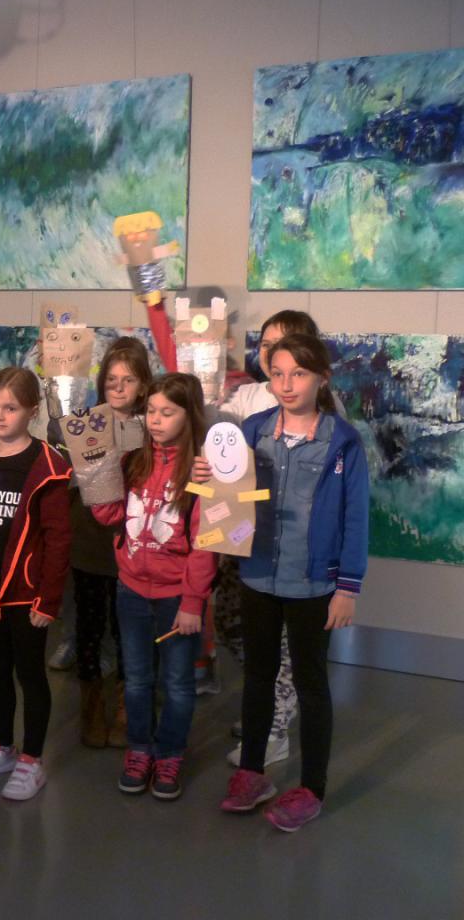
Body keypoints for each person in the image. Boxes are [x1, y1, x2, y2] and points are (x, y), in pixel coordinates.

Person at [220, 333, 368, 832]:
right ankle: (252, 773)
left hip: (314, 583)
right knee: (258, 677)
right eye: (278, 373)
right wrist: (211, 475)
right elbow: (229, 492)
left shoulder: (343, 441)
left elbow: (355, 518)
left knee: (310, 684)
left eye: (298, 374)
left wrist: (347, 587)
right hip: (258, 574)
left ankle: (311, 788)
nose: (286, 384)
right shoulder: (254, 429)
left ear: (321, 378)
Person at [199, 310, 322, 767]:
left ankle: (274, 729)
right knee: (231, 621)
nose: (272, 353)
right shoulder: (248, 396)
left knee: (285, 641)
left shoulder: (324, 410)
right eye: (266, 344)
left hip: (293, 547)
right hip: (243, 537)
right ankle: (266, 704)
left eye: (283, 344)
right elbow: (215, 430)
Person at [92, 373, 216, 800]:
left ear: (189, 415)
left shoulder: (201, 472)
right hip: (131, 591)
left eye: (168, 412)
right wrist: (99, 477)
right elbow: (111, 517)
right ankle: (140, 749)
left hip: (176, 597)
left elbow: (206, 542)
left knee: (178, 683)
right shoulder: (134, 462)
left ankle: (170, 753)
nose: (156, 420)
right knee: (137, 680)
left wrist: (193, 602)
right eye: (151, 411)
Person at [0, 368, 71, 801]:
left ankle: (31, 759)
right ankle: (2, 745)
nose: (0, 416)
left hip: (26, 594)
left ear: (32, 412)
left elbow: (59, 539)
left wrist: (48, 598)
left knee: (30, 674)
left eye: (11, 408)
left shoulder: (47, 466)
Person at [69, 337, 150, 748]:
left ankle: (125, 706)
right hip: (89, 543)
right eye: (112, 379)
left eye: (128, 380)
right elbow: (70, 482)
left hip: (132, 546)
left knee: (127, 631)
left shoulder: (151, 426)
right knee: (88, 628)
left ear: (143, 384)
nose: (118, 387)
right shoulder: (85, 422)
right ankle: (91, 705)